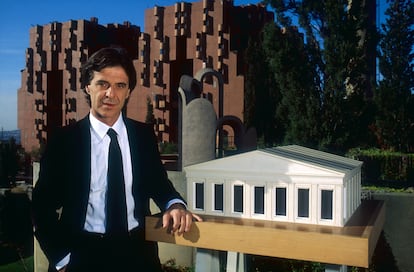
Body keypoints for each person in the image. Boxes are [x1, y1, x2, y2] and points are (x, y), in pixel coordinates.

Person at [32, 47, 202, 272]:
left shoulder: (143, 136)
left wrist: (175, 205)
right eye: (102, 84)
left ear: (128, 91)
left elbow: (159, 185)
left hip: (138, 256)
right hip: (82, 256)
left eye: (120, 85)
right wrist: (62, 259)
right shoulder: (64, 140)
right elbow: (41, 208)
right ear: (87, 86)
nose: (111, 94)